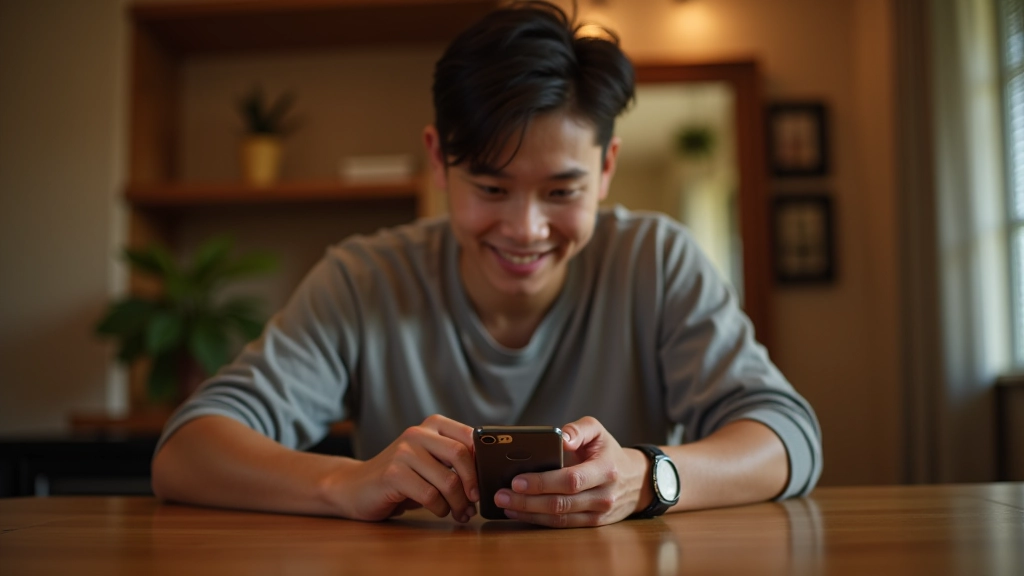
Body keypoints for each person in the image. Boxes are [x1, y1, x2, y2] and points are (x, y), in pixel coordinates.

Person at [152, 1, 822, 528]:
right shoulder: (364, 280)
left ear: (607, 166)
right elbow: (186, 452)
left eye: (562, 192)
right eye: (492, 189)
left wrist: (648, 478)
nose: (526, 230)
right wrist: (344, 480)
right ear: (440, 159)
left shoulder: (657, 261)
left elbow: (788, 436)